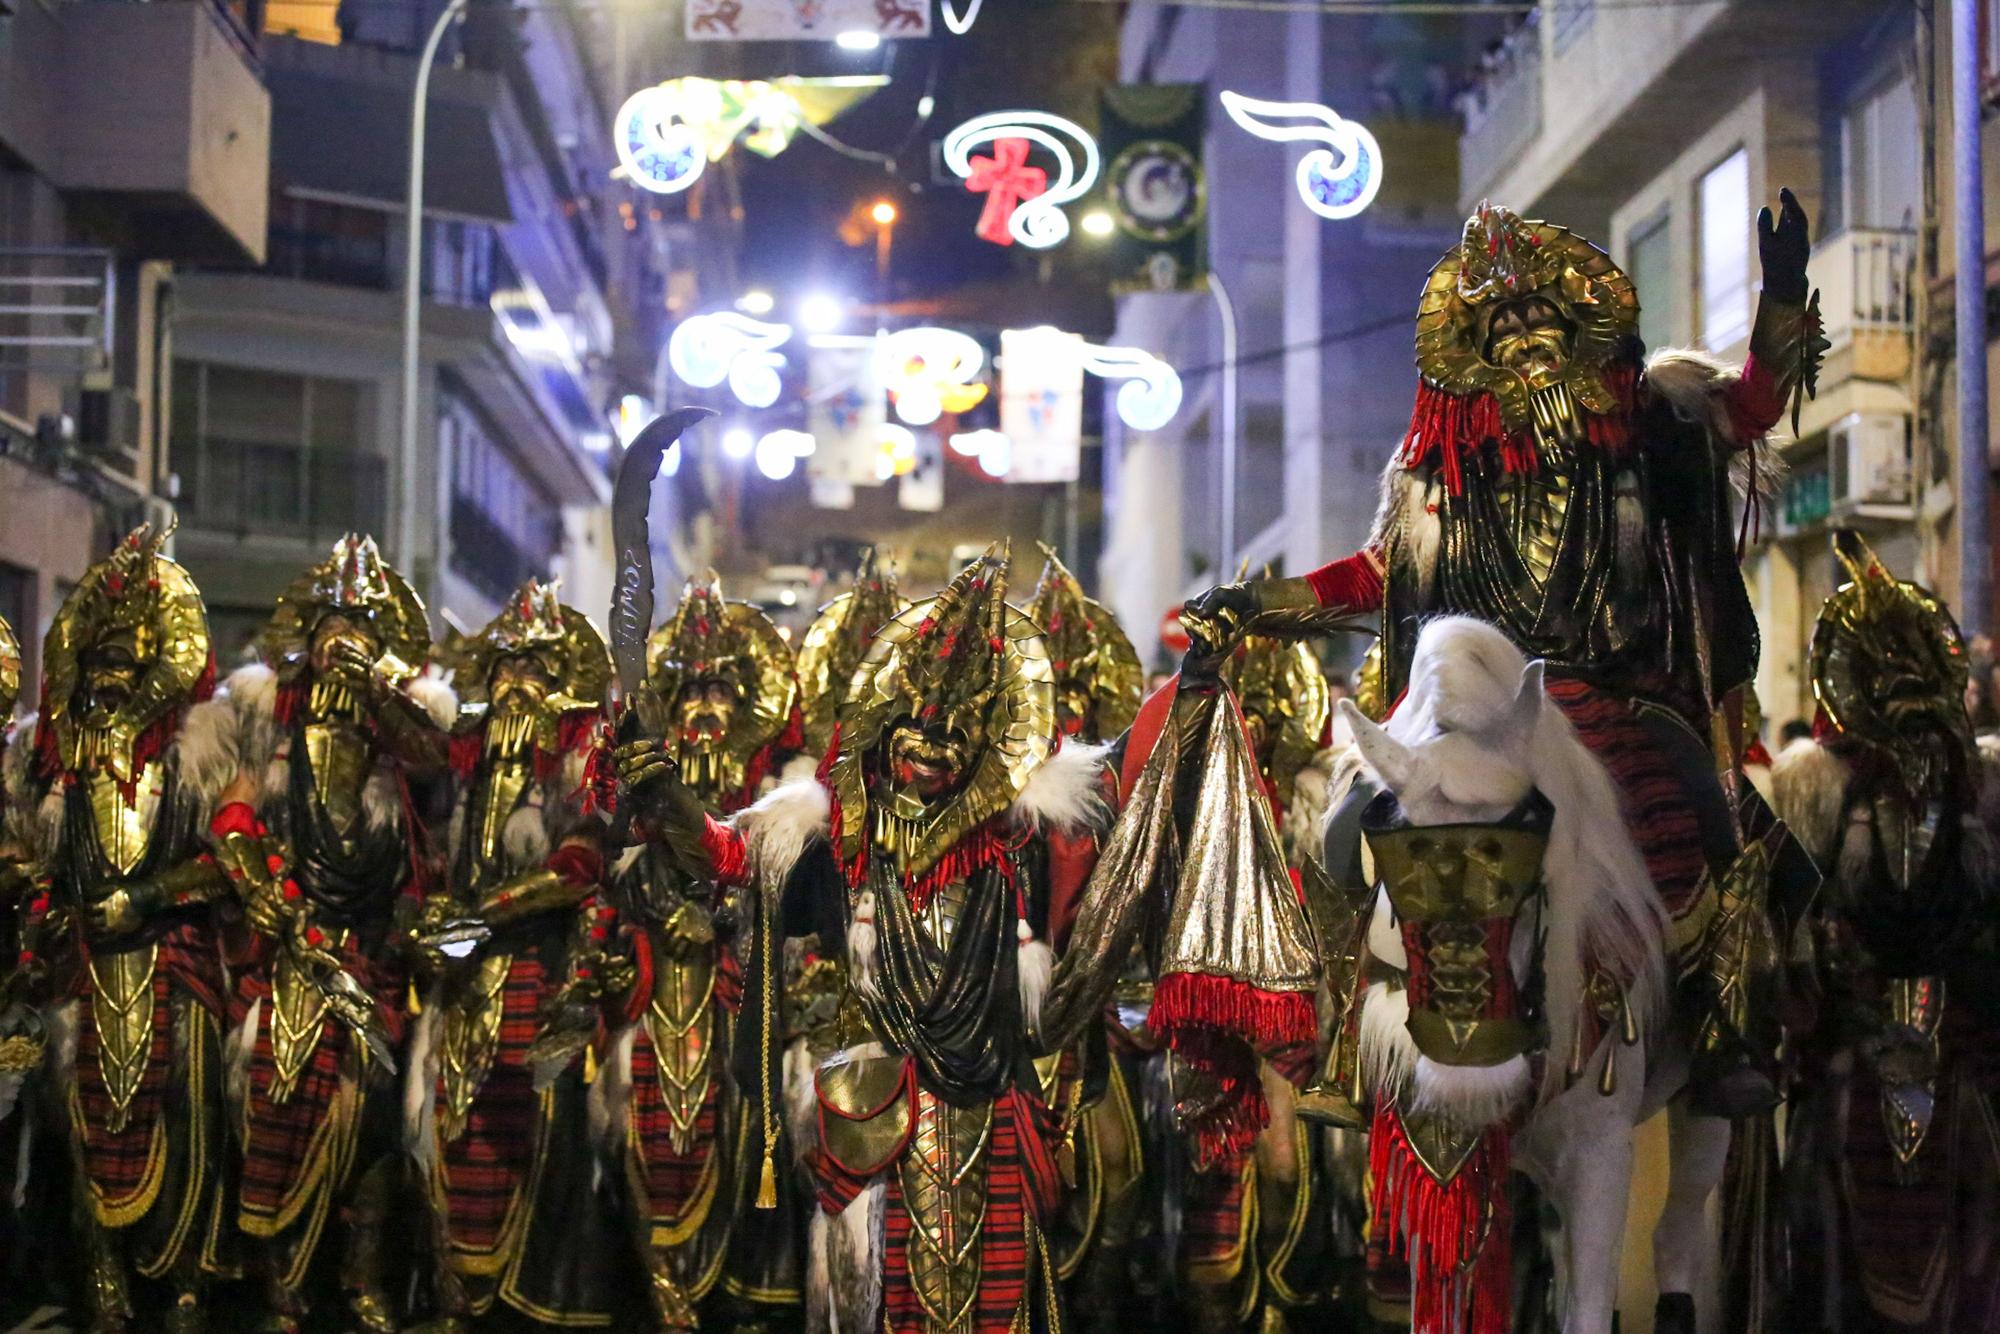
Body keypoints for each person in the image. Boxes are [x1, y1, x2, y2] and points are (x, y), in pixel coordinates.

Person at [208, 534, 455, 1331]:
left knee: (381, 1111)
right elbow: (234, 817)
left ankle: (362, 1272)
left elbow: (432, 763)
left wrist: (377, 696)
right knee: (272, 1091)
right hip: (290, 944)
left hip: (377, 945)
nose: (341, 642)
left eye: (359, 629)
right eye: (329, 628)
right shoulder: (272, 722)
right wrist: (254, 885)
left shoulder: (402, 728)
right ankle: (281, 1275)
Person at [1771, 532, 2000, 1331]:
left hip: (1964, 1047)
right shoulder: (1815, 780)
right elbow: (1791, 927)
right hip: (1850, 1044)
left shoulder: (1984, 782)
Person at [10, 526, 237, 1331]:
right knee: (64, 1100)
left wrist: (145, 900)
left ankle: (184, 1278)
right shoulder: (51, 760)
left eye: (124, 663)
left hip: (172, 948)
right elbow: (32, 863)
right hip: (80, 955)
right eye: (97, 663)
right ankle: (97, 1271)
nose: (108, 679)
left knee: (198, 1089)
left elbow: (232, 861)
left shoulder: (203, 749)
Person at [406, 580, 623, 1327]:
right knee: (443, 1120)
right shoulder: (463, 765)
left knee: (530, 1133)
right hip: (460, 970)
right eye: (504, 671)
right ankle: (450, 1288)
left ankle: (525, 1297)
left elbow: (579, 864)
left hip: (537, 960)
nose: (514, 686)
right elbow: (434, 856)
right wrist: (436, 912)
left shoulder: (577, 759)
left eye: (532, 672)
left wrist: (478, 915)